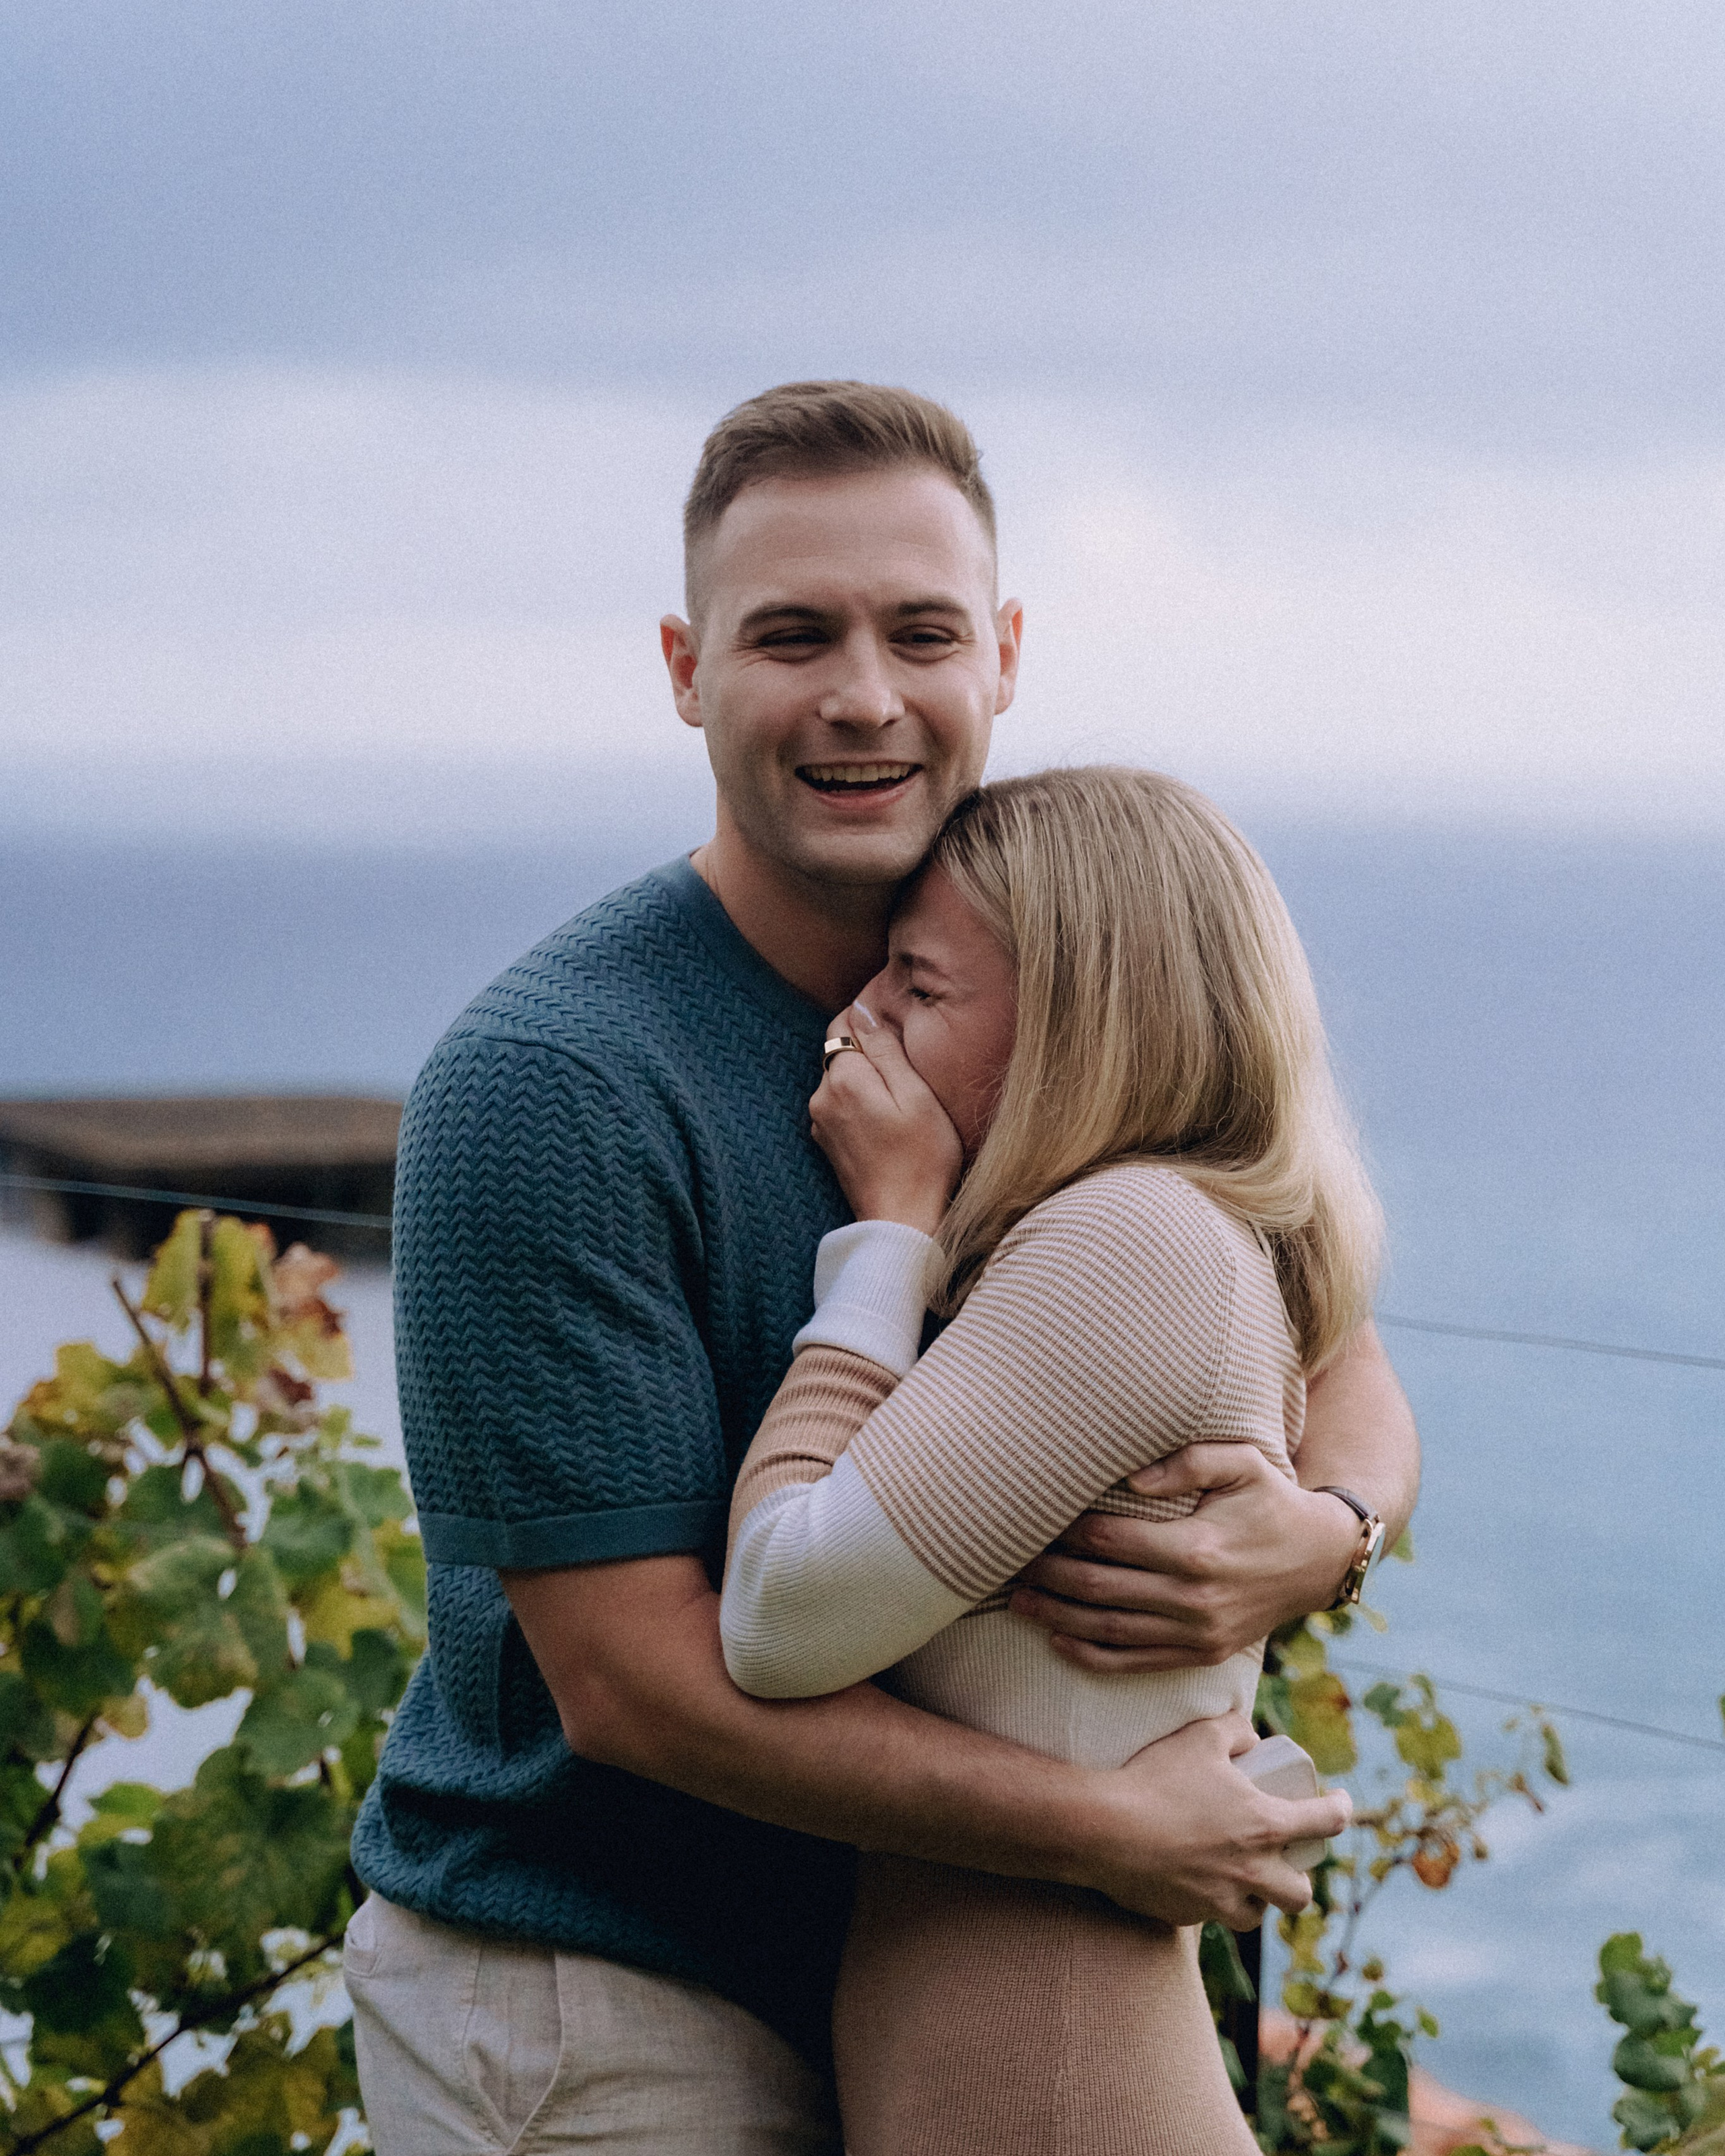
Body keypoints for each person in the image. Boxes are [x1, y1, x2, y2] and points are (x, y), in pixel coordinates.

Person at [346, 381, 1419, 2155]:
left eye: (919, 632)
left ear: (999, 657)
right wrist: (1105, 1830)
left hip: (916, 1967)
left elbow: (1338, 1346)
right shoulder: (550, 1088)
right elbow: (632, 1685)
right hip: (606, 1984)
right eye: (792, 636)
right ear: (688, 671)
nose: (863, 695)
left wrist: (1319, 1535)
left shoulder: (1044, 1001)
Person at [722, 765, 1381, 2153]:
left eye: (918, 985)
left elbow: (778, 1615)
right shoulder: (1153, 1236)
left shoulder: (1131, 1242)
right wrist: (1340, 1523)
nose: (858, 1025)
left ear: (1082, 1025)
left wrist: (888, 1237)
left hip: (1061, 2085)